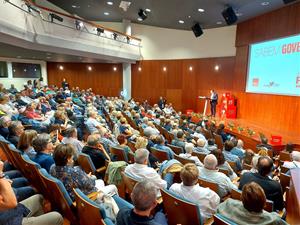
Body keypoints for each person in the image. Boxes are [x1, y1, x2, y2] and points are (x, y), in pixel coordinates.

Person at [51, 144, 117, 200]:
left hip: (72, 194)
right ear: (68, 159)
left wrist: (85, 177)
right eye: (71, 156)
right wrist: (86, 177)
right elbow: (91, 185)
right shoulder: (75, 171)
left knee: (100, 181)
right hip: (85, 198)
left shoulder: (52, 168)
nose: (73, 157)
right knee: (113, 187)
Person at [217, 182, 287, 225]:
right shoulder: (274, 220)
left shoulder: (228, 203)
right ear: (264, 201)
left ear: (242, 199)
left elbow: (216, 212)